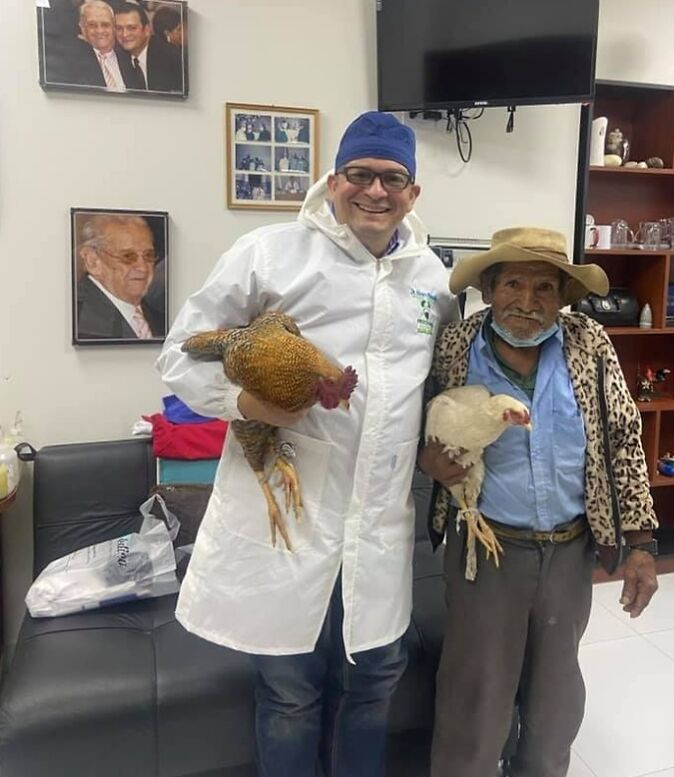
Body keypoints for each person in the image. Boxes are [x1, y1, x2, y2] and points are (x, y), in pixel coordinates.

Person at [156, 111, 457, 777]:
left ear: (413, 193)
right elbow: (179, 357)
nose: (375, 190)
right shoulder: (269, 253)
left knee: (374, 680)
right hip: (288, 513)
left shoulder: (433, 280)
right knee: (290, 693)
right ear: (333, 179)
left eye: (392, 178)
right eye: (360, 174)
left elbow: (442, 382)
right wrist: (244, 404)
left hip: (379, 523)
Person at [418, 227, 659, 777]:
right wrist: (426, 458)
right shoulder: (456, 346)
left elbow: (624, 439)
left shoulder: (589, 345)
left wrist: (643, 544)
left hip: (570, 551)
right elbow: (414, 422)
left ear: (563, 297)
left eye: (545, 288)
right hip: (486, 550)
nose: (527, 302)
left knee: (555, 702)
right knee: (475, 702)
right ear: (488, 289)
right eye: (513, 284)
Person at [76, 213, 165, 340]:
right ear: (93, 261)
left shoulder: (162, 319)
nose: (143, 268)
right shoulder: (78, 321)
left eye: (148, 255)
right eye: (128, 256)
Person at [69, 0, 139, 91]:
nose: (100, 31)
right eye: (92, 25)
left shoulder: (130, 57)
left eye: (105, 25)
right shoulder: (72, 61)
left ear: (114, 27)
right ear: (82, 28)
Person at [114, 2, 183, 93]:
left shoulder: (172, 57)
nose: (125, 34)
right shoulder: (115, 57)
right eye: (119, 28)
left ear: (147, 30)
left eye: (132, 28)